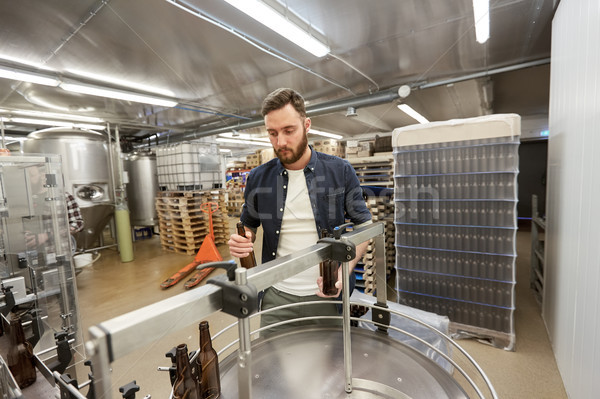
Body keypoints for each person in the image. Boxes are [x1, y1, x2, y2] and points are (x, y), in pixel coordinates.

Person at [228, 88, 372, 333]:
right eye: (272, 133)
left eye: (288, 130)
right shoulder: (258, 178)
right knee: (272, 368)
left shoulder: (340, 171)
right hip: (275, 297)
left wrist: (343, 271)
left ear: (306, 125)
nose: (280, 142)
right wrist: (241, 244)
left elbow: (364, 229)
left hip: (328, 296)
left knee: (329, 368)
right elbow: (248, 225)